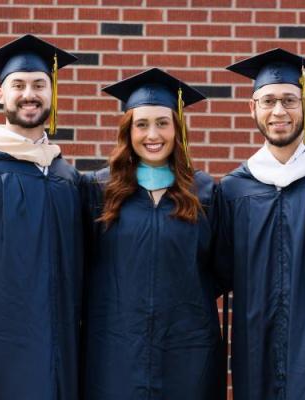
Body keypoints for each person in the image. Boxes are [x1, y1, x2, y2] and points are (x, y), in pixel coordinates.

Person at [0, 34, 83, 400]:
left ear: (52, 93)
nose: (29, 94)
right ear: (0, 94)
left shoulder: (65, 176)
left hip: (58, 354)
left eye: (39, 84)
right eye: (18, 85)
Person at [81, 68, 227, 400]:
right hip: (115, 350)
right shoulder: (98, 190)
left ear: (178, 130)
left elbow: (222, 270)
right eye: (141, 124)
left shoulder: (204, 192)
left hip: (186, 350)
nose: (153, 134)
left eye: (163, 122)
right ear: (127, 131)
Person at [217, 48, 305, 400]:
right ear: (252, 108)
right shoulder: (234, 189)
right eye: (268, 101)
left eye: (289, 100)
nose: (278, 112)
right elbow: (217, 270)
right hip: (255, 349)